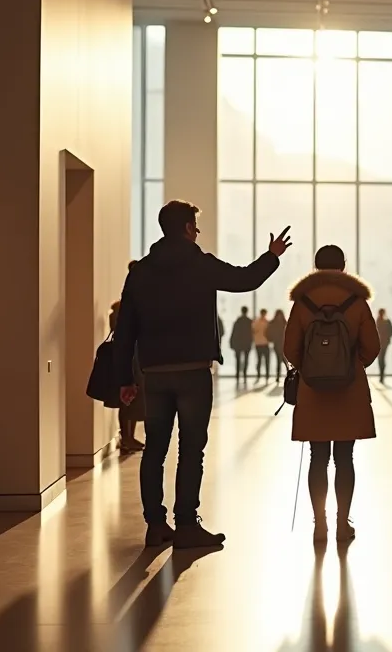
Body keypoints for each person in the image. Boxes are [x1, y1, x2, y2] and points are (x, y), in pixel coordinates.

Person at [114, 199, 290, 549]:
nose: (197, 232)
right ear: (185, 229)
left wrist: (125, 378)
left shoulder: (141, 271)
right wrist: (272, 255)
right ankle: (186, 524)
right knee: (191, 449)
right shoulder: (200, 264)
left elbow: (125, 329)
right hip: (193, 370)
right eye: (195, 226)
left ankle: (155, 525)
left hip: (155, 371)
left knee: (155, 450)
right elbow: (244, 279)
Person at [284, 245, 380, 543]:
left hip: (313, 391)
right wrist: (351, 364)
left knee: (317, 457)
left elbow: (290, 349)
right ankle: (342, 523)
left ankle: (319, 524)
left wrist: (311, 367)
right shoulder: (358, 302)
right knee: (345, 458)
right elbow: (373, 347)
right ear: (344, 266)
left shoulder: (302, 302)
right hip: (349, 389)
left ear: (315, 267)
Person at [109, 288, 146, 453]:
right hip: (129, 358)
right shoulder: (122, 312)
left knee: (134, 400)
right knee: (127, 400)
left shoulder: (130, 310)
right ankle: (126, 437)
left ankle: (129, 437)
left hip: (134, 357)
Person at [230, 307, 253, 384]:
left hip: (238, 344)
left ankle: (237, 375)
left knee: (238, 360)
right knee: (246, 360)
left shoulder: (238, 321)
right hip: (247, 343)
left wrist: (232, 342)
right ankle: (245, 374)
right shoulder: (249, 321)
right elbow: (251, 333)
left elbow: (234, 332)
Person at [376, 308, 392, 383]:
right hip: (382, 342)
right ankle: (381, 375)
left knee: (381, 359)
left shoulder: (382, 321)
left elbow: (391, 332)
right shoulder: (379, 321)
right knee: (381, 359)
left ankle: (382, 375)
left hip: (383, 343)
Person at [269, 309, 287, 381]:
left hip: (279, 344)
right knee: (281, 360)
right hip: (280, 344)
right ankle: (280, 375)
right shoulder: (284, 323)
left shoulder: (273, 323)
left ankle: (279, 376)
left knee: (281, 360)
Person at [252, 308, 271, 379]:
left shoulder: (256, 322)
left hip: (258, 343)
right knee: (266, 360)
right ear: (265, 314)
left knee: (259, 359)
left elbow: (253, 331)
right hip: (265, 343)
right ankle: (267, 375)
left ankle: (258, 374)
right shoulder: (267, 322)